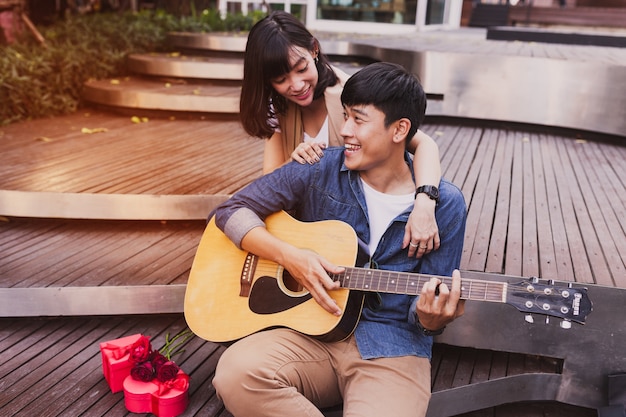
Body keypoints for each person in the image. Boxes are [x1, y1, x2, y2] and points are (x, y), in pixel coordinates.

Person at [212, 62, 467, 417]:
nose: (344, 129)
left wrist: (431, 318)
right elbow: (231, 211)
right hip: (309, 333)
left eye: (358, 120)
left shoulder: (446, 204)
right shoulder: (319, 168)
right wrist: (289, 256)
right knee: (235, 373)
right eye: (344, 116)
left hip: (391, 348)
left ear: (400, 130)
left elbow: (426, 309)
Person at [239, 11, 441, 257]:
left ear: (314, 49)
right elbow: (270, 182)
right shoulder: (280, 107)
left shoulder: (349, 95)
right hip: (307, 233)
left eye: (301, 69)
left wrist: (425, 202)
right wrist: (295, 162)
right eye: (281, 79)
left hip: (352, 228)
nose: (297, 85)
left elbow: (425, 143)